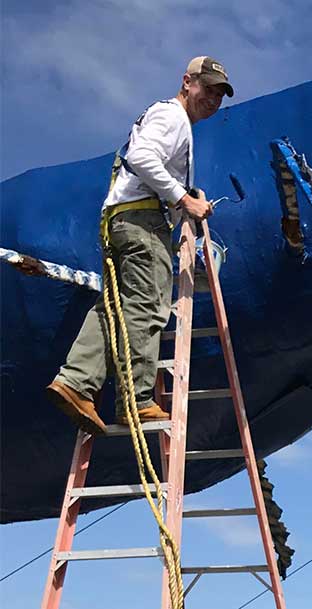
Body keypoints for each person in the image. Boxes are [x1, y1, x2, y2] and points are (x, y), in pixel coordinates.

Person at [46, 56, 234, 435]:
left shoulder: (164, 117)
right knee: (148, 308)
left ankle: (76, 381)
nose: (212, 99)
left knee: (115, 308)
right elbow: (142, 157)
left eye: (219, 94)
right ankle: (136, 399)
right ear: (187, 82)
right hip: (143, 223)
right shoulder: (173, 117)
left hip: (122, 219)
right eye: (207, 88)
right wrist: (184, 199)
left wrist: (185, 205)